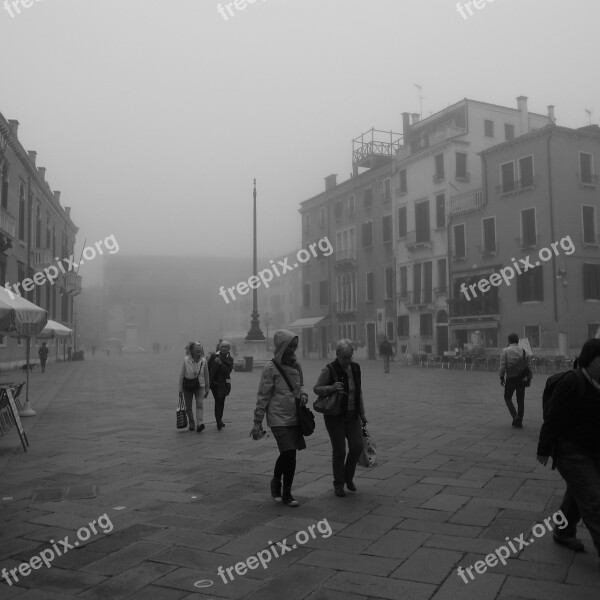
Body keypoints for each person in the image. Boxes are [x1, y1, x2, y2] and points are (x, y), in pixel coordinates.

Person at [537, 338, 600, 561]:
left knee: (578, 493)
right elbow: (553, 419)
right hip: (570, 451)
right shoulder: (571, 383)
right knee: (594, 500)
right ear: (590, 361)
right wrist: (544, 449)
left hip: (593, 449)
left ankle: (563, 532)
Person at [251, 330, 309, 507]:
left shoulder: (296, 365)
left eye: (294, 346)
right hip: (277, 417)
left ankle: (284, 489)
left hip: (294, 416)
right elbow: (263, 395)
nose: (292, 350)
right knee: (288, 451)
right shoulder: (270, 368)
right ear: (282, 346)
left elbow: (300, 387)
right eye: (289, 346)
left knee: (290, 455)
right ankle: (281, 487)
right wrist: (257, 421)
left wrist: (304, 395)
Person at [313, 339, 368, 497]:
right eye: (343, 357)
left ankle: (348, 477)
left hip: (353, 416)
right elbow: (316, 388)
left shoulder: (356, 368)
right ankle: (339, 483)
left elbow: (359, 392)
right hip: (335, 416)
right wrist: (332, 388)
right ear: (337, 355)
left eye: (349, 357)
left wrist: (362, 414)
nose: (346, 361)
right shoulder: (330, 369)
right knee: (340, 451)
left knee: (357, 447)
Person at [499, 333, 530, 427]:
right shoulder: (524, 351)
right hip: (522, 379)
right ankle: (519, 421)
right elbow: (528, 366)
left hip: (511, 378)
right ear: (518, 341)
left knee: (507, 397)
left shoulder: (505, 351)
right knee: (520, 400)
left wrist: (501, 377)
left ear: (509, 340)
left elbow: (503, 366)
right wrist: (528, 378)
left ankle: (515, 416)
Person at [178, 342, 209, 432]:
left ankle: (200, 423)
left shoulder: (204, 361)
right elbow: (182, 375)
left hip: (200, 385)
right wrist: (180, 389)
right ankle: (191, 422)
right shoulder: (186, 360)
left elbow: (206, 375)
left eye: (200, 348)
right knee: (188, 406)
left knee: (199, 404)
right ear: (192, 350)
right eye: (196, 348)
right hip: (187, 385)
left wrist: (207, 388)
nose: (199, 349)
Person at [208, 341, 234, 430]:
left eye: (225, 347)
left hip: (224, 384)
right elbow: (208, 369)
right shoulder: (213, 357)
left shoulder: (230, 359)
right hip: (215, 384)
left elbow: (228, 371)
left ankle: (219, 419)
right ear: (219, 348)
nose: (223, 348)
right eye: (222, 346)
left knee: (222, 401)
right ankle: (218, 421)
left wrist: (221, 364)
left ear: (228, 349)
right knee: (218, 400)